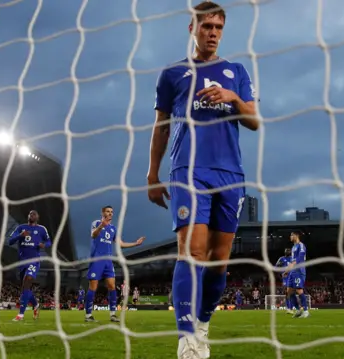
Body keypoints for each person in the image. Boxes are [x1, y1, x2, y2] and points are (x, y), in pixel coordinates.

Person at [147, 1, 258, 358]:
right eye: (206, 26)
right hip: (188, 170)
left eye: (218, 28)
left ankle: (203, 323)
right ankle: (188, 340)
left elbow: (255, 120)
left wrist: (232, 98)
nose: (212, 33)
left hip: (230, 173)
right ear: (192, 28)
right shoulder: (173, 74)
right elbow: (161, 127)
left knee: (218, 261)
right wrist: (153, 173)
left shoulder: (237, 71)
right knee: (191, 253)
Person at [84, 206, 145, 322]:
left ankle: (112, 314)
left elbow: (120, 244)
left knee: (112, 286)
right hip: (96, 260)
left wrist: (135, 244)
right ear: (103, 213)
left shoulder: (113, 228)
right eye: (107, 211)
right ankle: (88, 315)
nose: (110, 213)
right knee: (93, 287)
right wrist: (101, 225)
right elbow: (93, 235)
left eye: (111, 212)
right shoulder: (96, 223)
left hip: (108, 261)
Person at [8, 210, 50, 321]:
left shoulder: (42, 229)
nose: (32, 215)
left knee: (27, 281)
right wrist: (20, 236)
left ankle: (21, 314)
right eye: (30, 214)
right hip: (22, 262)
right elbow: (10, 241)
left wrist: (43, 244)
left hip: (34, 261)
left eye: (34, 214)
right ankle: (35, 305)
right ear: (28, 216)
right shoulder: (21, 228)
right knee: (25, 288)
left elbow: (49, 242)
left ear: (38, 217)